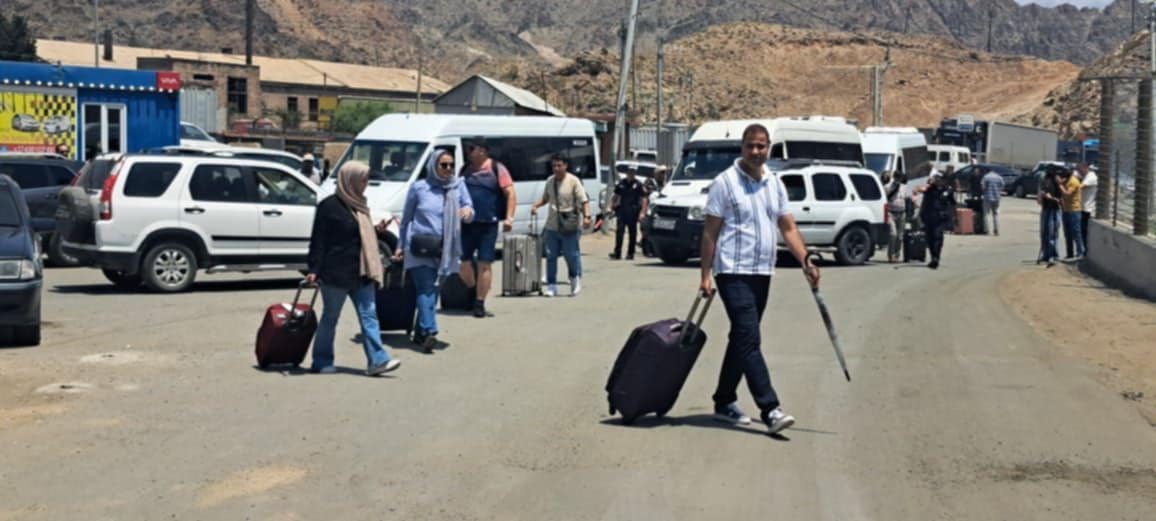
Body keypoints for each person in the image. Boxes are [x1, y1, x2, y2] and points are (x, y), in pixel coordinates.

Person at [699, 123, 820, 435]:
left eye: (761, 146)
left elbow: (787, 227)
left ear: (769, 149)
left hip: (762, 271)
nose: (755, 151)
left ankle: (724, 401)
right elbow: (710, 232)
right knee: (749, 337)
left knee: (742, 338)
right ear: (742, 147)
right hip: (732, 271)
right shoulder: (725, 183)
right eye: (750, 146)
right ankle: (770, 409)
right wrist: (705, 275)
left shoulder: (774, 183)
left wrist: (805, 260)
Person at [305, 162, 401, 377]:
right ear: (350, 180)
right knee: (330, 318)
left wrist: (375, 230)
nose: (366, 184)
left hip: (362, 272)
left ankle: (377, 360)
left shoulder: (359, 204)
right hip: (336, 273)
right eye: (362, 180)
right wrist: (314, 269)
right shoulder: (329, 206)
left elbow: (358, 234)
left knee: (369, 316)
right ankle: (321, 361)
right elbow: (319, 240)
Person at [397, 149, 474, 352]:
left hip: (446, 249)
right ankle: (430, 330)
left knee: (434, 290)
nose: (448, 169)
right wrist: (400, 246)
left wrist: (468, 212)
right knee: (426, 288)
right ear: (433, 165)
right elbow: (406, 220)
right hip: (420, 247)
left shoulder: (458, 186)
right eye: (443, 165)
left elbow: (469, 208)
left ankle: (419, 333)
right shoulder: (419, 188)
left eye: (451, 165)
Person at [458, 139, 515, 318]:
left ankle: (479, 302)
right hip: (466, 224)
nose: (468, 152)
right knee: (462, 262)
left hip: (488, 224)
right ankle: (472, 288)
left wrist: (509, 218)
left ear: (482, 150)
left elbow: (510, 193)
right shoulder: (465, 169)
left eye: (471, 148)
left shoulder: (497, 168)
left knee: (485, 264)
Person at [530, 154, 592, 297]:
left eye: (559, 165)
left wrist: (587, 217)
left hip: (569, 225)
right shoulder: (550, 181)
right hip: (552, 225)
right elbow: (546, 198)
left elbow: (584, 201)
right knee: (551, 256)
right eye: (554, 166)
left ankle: (574, 279)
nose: (556, 168)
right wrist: (536, 206)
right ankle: (552, 285)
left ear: (565, 166)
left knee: (571, 255)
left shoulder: (573, 181)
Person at [915, 171, 956, 269]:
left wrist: (953, 217)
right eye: (936, 178)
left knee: (937, 237)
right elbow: (919, 189)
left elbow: (953, 204)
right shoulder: (930, 188)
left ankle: (936, 258)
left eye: (939, 179)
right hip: (929, 217)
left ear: (944, 180)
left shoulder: (948, 190)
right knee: (930, 238)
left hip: (940, 218)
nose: (937, 180)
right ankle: (933, 257)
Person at [609, 164, 648, 260]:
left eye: (633, 172)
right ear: (627, 172)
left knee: (632, 233)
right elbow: (615, 196)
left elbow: (644, 199)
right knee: (619, 232)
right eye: (630, 172)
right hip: (622, 211)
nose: (631, 173)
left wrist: (642, 212)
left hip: (633, 211)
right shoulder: (621, 183)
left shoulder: (638, 184)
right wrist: (610, 207)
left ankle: (630, 253)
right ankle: (617, 253)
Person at [1037, 166, 1064, 267]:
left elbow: (1064, 196)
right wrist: (1043, 196)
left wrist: (1055, 198)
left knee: (1053, 233)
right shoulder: (1046, 181)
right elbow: (1042, 195)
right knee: (1045, 233)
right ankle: (1046, 255)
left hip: (1055, 209)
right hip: (1046, 209)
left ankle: (1053, 255)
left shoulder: (1060, 184)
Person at [1058, 167, 1085, 259]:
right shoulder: (1066, 181)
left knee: (1076, 232)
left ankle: (1080, 252)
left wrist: (1060, 185)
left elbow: (1067, 194)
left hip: (1074, 210)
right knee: (1067, 233)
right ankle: (1070, 253)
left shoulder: (1073, 181)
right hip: (1066, 209)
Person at [884, 171, 909, 262]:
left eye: (900, 178)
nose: (898, 179)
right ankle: (890, 255)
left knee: (900, 236)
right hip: (891, 213)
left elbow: (906, 199)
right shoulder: (887, 187)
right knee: (893, 234)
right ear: (894, 177)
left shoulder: (904, 187)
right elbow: (884, 199)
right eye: (897, 177)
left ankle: (896, 255)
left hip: (902, 213)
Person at [1078, 164, 1097, 254]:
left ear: (1086, 168)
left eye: (1080, 170)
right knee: (1082, 232)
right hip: (1083, 208)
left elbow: (1080, 187)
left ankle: (1085, 251)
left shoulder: (1091, 177)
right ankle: (1084, 250)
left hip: (1088, 209)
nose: (1079, 172)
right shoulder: (1086, 176)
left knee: (1084, 232)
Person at [980, 166, 1005, 236]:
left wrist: (984, 192)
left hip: (987, 198)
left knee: (986, 214)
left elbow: (983, 187)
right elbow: (1003, 186)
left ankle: (987, 230)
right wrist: (998, 191)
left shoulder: (986, 177)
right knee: (996, 214)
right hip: (997, 198)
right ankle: (996, 230)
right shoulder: (999, 177)